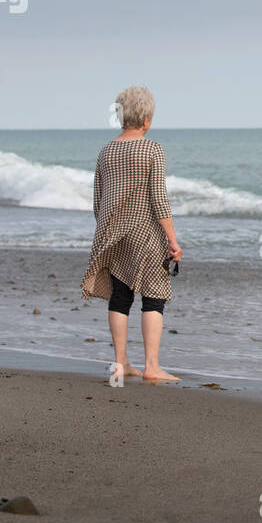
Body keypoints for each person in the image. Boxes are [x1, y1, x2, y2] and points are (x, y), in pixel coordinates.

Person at [81, 86, 183, 381]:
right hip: (146, 233)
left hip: (111, 231)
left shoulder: (106, 151)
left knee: (120, 297)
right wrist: (173, 241)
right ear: (147, 119)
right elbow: (159, 199)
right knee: (153, 298)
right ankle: (151, 366)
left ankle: (121, 362)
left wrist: (109, 227)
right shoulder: (152, 150)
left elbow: (98, 201)